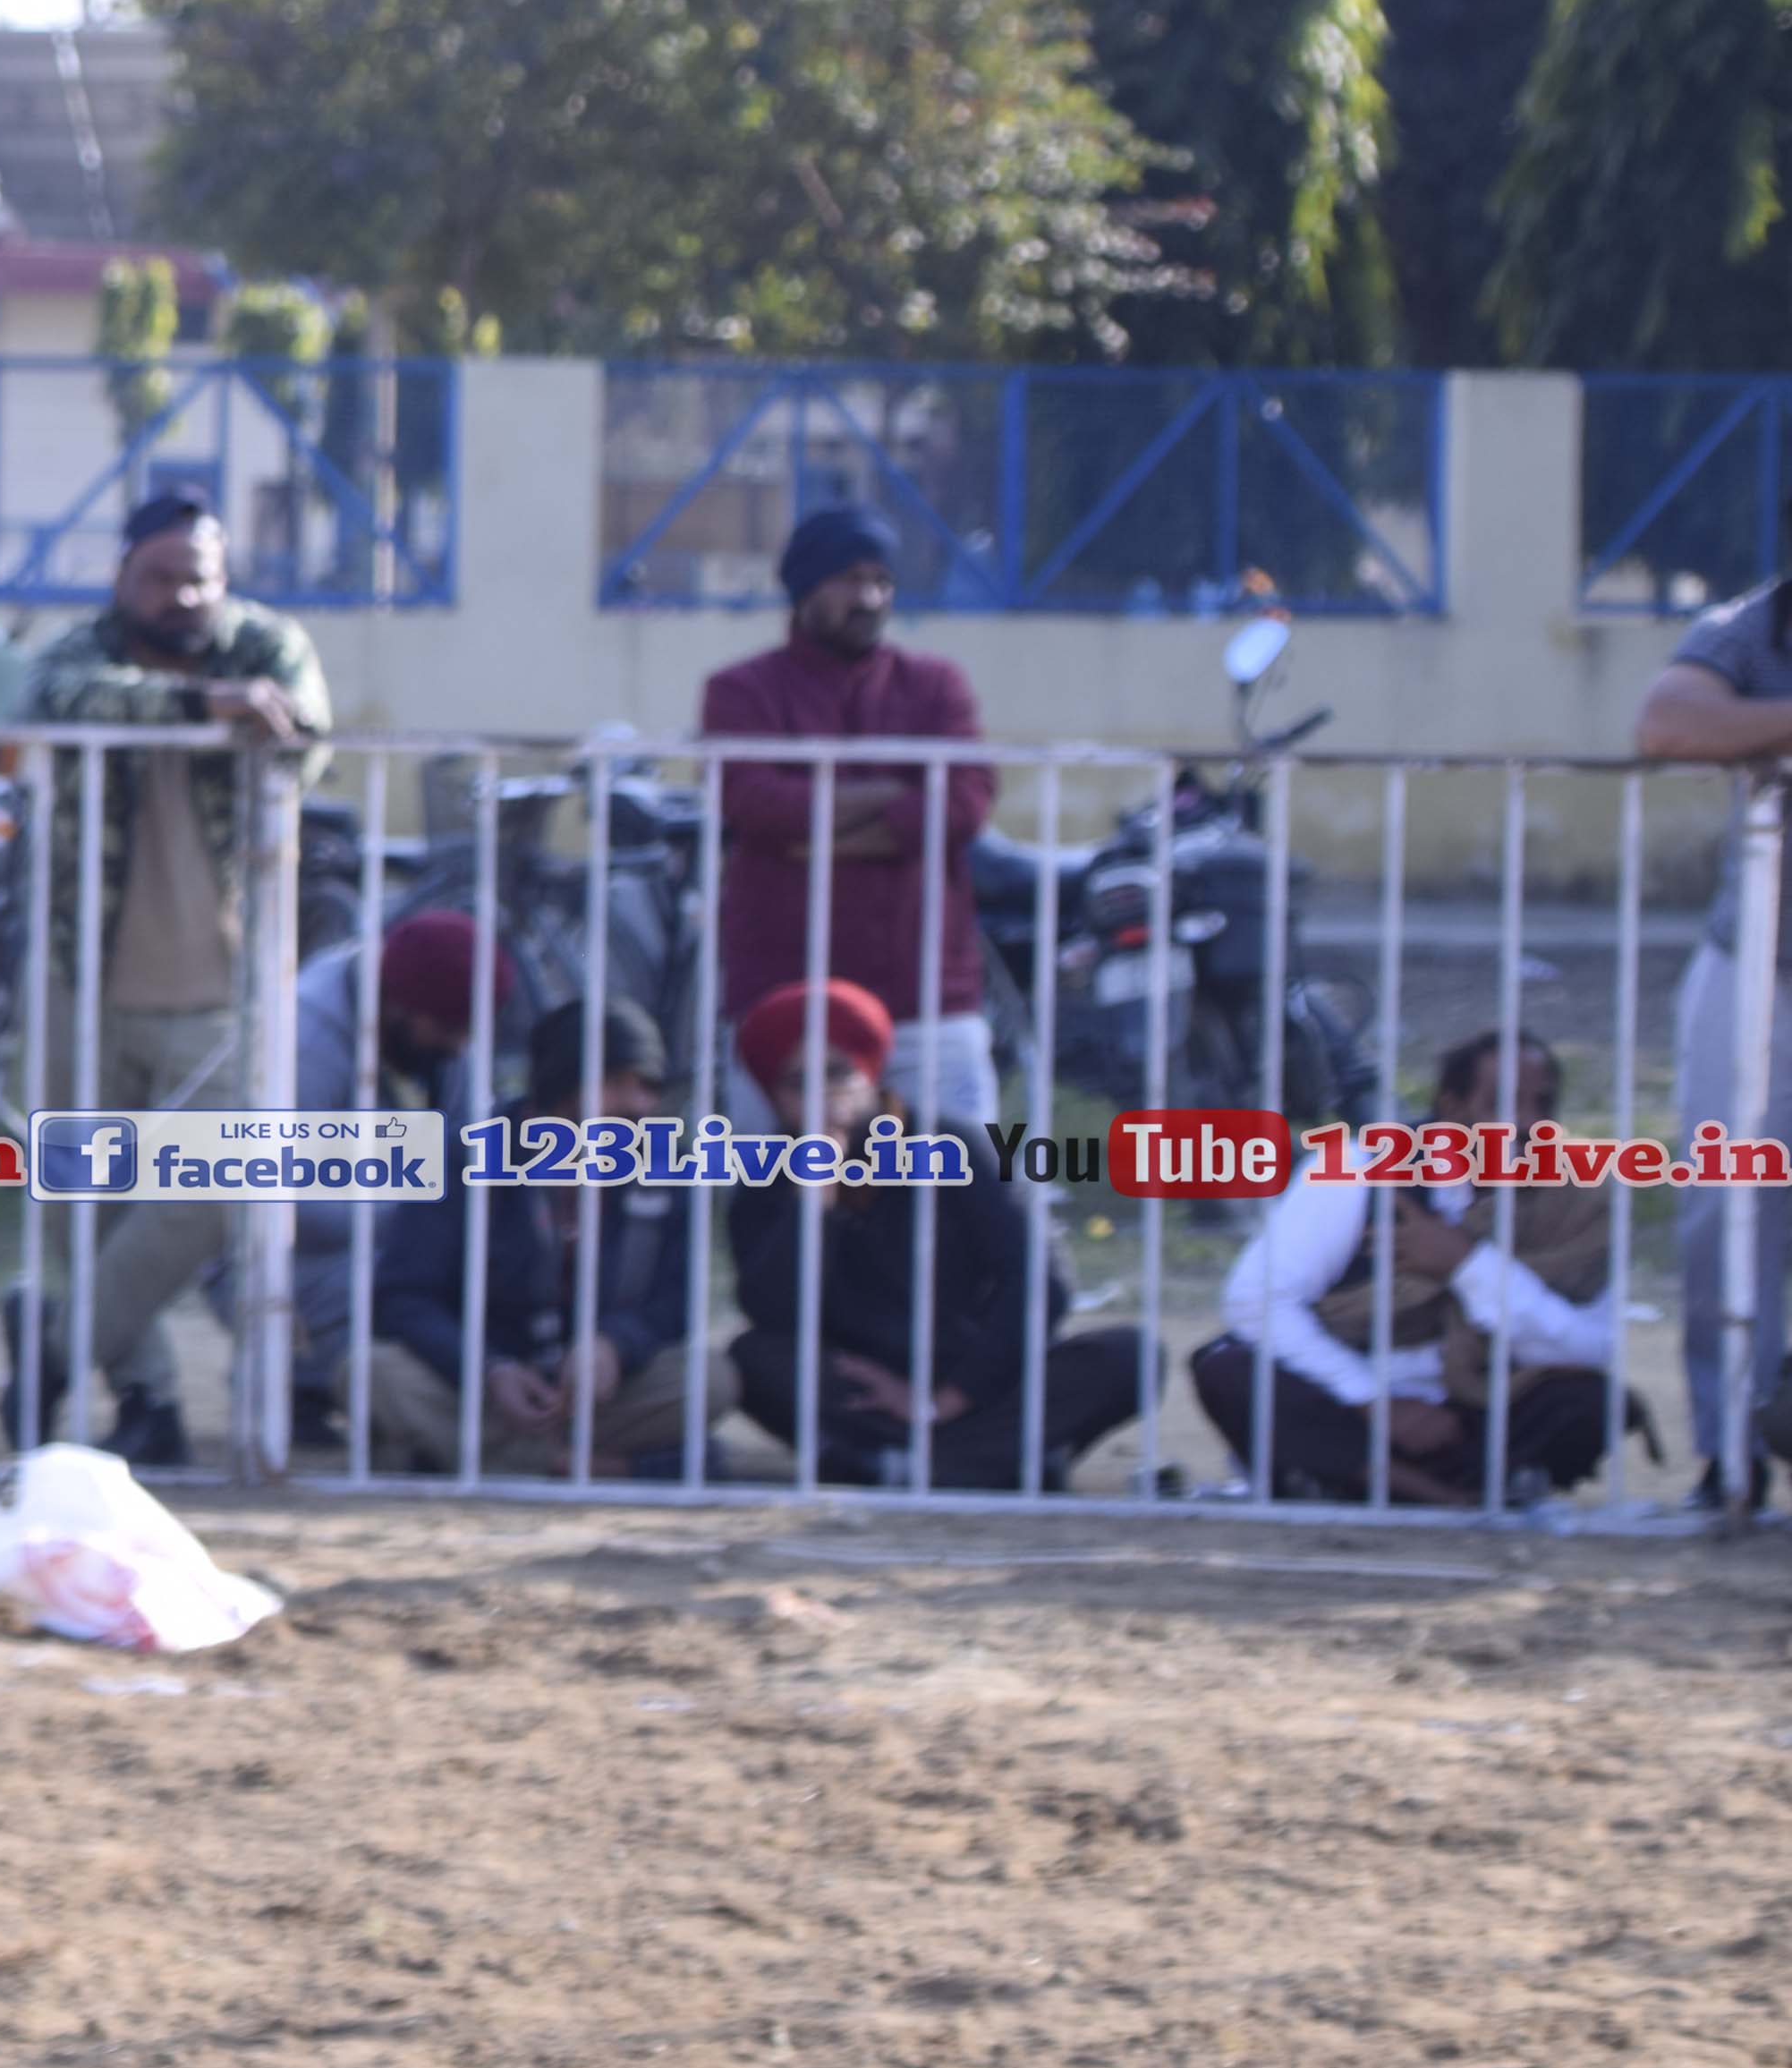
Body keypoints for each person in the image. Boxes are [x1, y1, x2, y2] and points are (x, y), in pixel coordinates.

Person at [21, 491, 328, 1468]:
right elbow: (58, 699)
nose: (183, 596)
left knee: (215, 1182)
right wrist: (202, 709)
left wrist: (241, 703)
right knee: (83, 1200)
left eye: (200, 577)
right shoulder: (81, 653)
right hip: (86, 974)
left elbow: (306, 727)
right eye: (160, 577)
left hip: (223, 982)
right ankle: (146, 1398)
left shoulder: (266, 647)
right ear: (122, 576)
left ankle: (52, 1349)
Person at [724, 976, 1146, 1491]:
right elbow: (770, 1312)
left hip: (975, 1376)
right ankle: (992, 1463)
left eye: (838, 1072)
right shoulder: (766, 1176)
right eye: (798, 1082)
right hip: (863, 1388)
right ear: (774, 1096)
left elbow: (1040, 1282)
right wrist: (812, 1208)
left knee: (1131, 1354)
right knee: (751, 1359)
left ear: (868, 1072)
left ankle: (914, 1468)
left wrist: (948, 1397)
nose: (823, 1095)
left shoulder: (952, 1145)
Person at [1193, 1030, 1624, 1509]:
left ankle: (1360, 1485)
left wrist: (1466, 1265)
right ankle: (1441, 1494)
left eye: (1542, 1105)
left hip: (1479, 1406)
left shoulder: (1574, 1206)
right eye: (1500, 1104)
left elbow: (1590, 1347)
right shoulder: (1361, 1169)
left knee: (1591, 1402)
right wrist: (1375, 1402)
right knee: (1228, 1369)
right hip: (1349, 1402)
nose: (1527, 1124)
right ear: (1451, 1108)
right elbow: (1255, 1301)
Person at [702, 509, 998, 1126]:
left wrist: (818, 830)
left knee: (952, 1176)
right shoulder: (742, 691)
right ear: (805, 588)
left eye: (882, 581)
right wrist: (893, 797)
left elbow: (964, 803)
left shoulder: (935, 687)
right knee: (777, 1181)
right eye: (849, 580)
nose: (869, 599)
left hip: (924, 998)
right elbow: (756, 804)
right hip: (784, 1001)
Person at [364, 998, 704, 1476]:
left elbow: (676, 1299)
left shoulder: (664, 1165)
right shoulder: (466, 1157)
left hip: (601, 1396)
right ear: (562, 1082)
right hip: (478, 1388)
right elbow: (404, 1297)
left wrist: (616, 1344)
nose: (638, 1105)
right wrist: (487, 1369)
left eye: (648, 1087)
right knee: (370, 1373)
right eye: (614, 1083)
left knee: (710, 1379)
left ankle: (487, 1456)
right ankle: (586, 1466)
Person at [1627, 572, 1792, 1509]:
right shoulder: (1755, 624)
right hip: (1759, 967)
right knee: (1724, 1211)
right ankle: (1730, 1455)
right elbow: (1666, 724)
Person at [276, 910, 506, 1446]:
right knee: (397, 1300)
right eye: (449, 1030)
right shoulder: (306, 1040)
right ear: (397, 1006)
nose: (460, 1046)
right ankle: (290, 1380)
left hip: (382, 1211)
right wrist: (419, 1214)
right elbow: (279, 1202)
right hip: (294, 1243)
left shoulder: (439, 1029)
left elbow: (469, 1151)